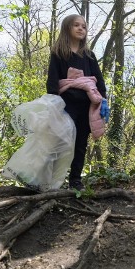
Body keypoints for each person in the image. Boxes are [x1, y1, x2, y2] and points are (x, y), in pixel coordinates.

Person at [46, 14, 109, 190]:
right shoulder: (59, 54)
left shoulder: (89, 56)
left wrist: (103, 101)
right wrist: (53, 102)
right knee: (60, 141)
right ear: (67, 28)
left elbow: (98, 80)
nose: (81, 28)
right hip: (66, 105)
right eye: (76, 25)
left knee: (81, 143)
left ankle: (75, 180)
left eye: (84, 26)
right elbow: (52, 81)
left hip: (86, 106)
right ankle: (51, 180)